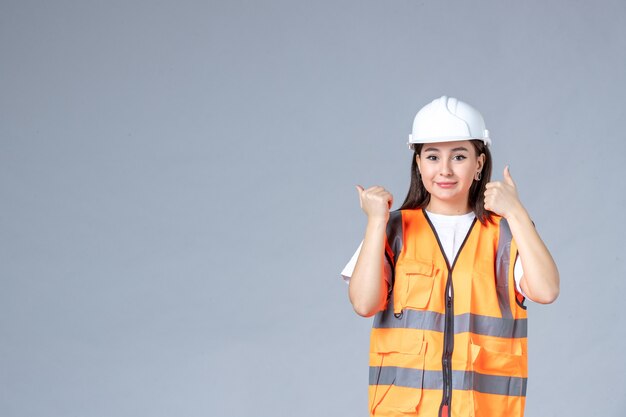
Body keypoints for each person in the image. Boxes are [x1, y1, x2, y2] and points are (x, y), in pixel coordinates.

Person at [341, 96, 559, 417]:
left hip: (483, 409)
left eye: (458, 156)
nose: (444, 170)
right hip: (404, 411)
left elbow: (547, 290)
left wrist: (516, 211)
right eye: (432, 156)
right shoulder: (393, 229)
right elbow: (363, 303)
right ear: (418, 163)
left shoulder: (506, 232)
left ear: (479, 163)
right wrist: (376, 222)